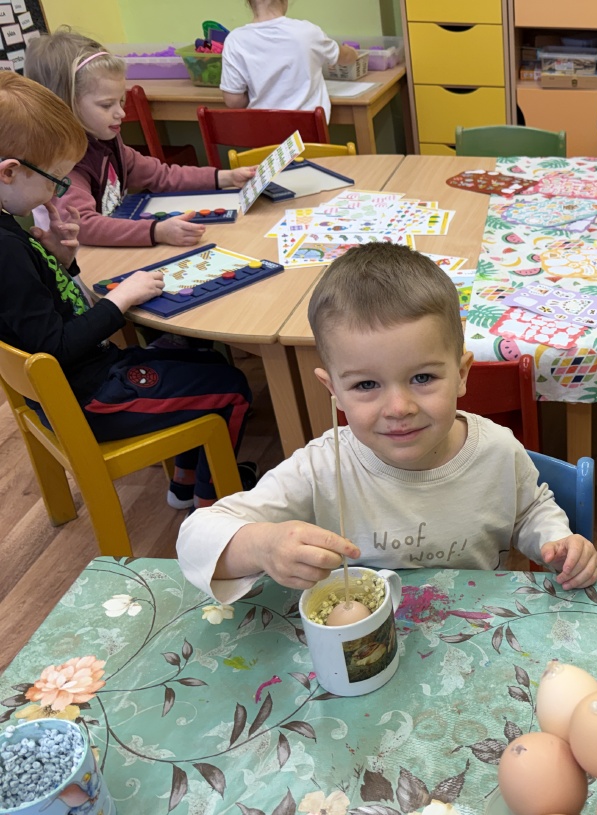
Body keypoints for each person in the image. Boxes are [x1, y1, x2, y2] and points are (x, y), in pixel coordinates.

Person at [177, 243, 597, 604]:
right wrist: (263, 546)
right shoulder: (321, 468)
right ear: (333, 390)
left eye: (423, 378)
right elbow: (196, 536)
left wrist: (555, 540)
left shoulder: (498, 450)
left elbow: (530, 509)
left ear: (461, 374)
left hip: (475, 627)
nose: (399, 407)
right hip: (360, 645)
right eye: (366, 385)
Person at [0, 72, 255, 510]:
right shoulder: (6, 250)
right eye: (54, 180)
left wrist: (62, 260)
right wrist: (120, 300)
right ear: (9, 172)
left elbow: (41, 310)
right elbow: (54, 348)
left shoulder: (10, 232)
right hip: (88, 399)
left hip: (86, 379)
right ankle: (215, 508)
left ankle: (186, 484)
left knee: (207, 362)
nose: (57, 193)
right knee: (232, 388)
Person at [24, 29, 256, 248]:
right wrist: (156, 231)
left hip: (109, 249)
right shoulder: (64, 165)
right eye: (106, 105)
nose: (121, 113)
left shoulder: (106, 140)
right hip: (76, 266)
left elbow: (161, 175)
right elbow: (83, 226)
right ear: (65, 105)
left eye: (121, 101)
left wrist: (226, 177)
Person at [220, 0, 359, 123]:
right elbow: (345, 57)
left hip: (263, 138)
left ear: (249, 2)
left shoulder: (235, 40)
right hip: (307, 137)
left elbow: (233, 101)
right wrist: (353, 52)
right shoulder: (307, 32)